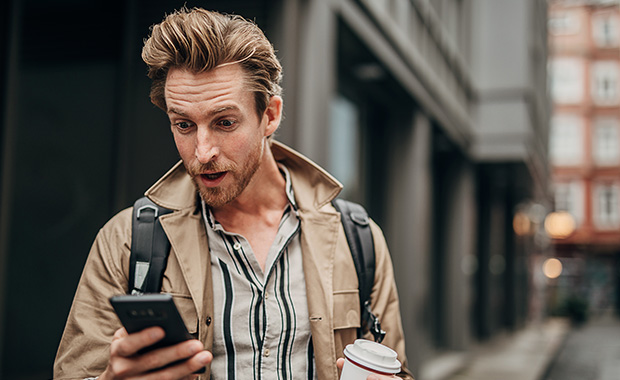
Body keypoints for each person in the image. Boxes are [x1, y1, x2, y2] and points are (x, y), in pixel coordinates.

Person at [53, 7, 413, 380]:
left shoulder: (357, 237)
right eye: (184, 125)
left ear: (270, 115)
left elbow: (397, 370)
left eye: (224, 122)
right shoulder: (126, 240)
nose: (202, 151)